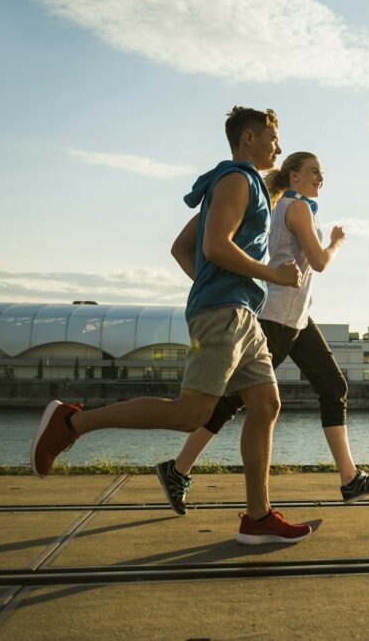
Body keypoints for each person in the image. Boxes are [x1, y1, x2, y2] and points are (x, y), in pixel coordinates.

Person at [30, 106, 313, 545]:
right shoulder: (238, 180)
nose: (279, 146)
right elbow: (214, 247)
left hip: (240, 313)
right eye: (273, 137)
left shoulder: (233, 183)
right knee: (189, 415)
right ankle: (71, 424)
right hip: (224, 314)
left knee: (265, 405)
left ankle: (257, 517)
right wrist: (268, 274)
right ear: (250, 138)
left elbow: (184, 248)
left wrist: (216, 284)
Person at [155, 151, 369, 515]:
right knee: (235, 400)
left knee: (332, 387)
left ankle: (349, 478)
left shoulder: (276, 205)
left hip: (297, 318)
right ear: (293, 176)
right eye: (314, 171)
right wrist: (336, 242)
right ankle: (178, 468)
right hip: (278, 317)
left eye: (322, 173)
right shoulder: (298, 209)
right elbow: (320, 263)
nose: (320, 178)